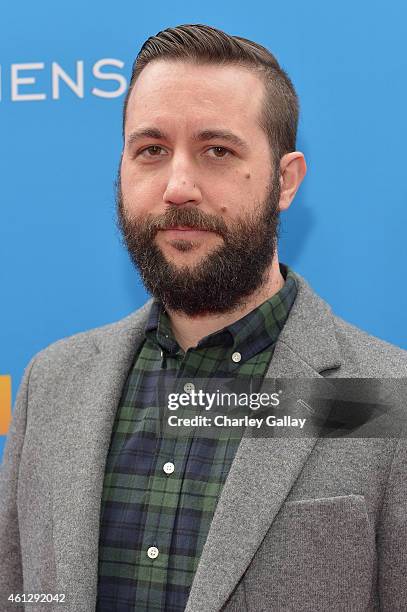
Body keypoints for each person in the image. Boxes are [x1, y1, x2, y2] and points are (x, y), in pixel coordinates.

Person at [1, 23, 407, 612]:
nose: (178, 186)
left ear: (285, 181)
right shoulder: (54, 382)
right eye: (151, 151)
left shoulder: (384, 398)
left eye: (218, 150)